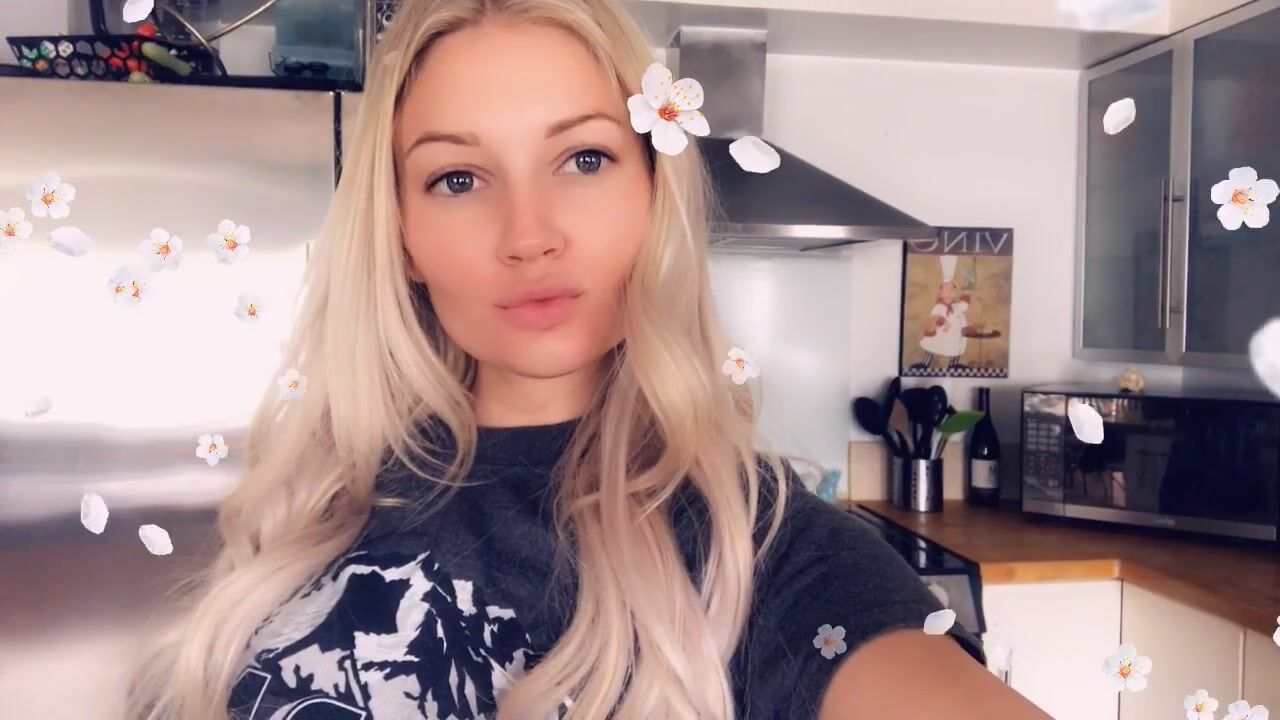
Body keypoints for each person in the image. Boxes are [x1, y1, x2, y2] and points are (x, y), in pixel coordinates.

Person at [125, 1, 1053, 718]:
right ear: (402, 234)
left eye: (583, 160)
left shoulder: (765, 550)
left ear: (654, 191)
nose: (529, 235)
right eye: (458, 178)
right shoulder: (318, 497)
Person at [914, 255, 972, 372]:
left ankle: (953, 365)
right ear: (941, 293)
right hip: (942, 334)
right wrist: (945, 322)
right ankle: (924, 364)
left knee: (956, 348)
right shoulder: (940, 306)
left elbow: (964, 306)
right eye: (947, 288)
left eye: (953, 288)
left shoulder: (955, 306)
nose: (951, 290)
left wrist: (965, 296)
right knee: (932, 346)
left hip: (954, 335)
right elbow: (936, 317)